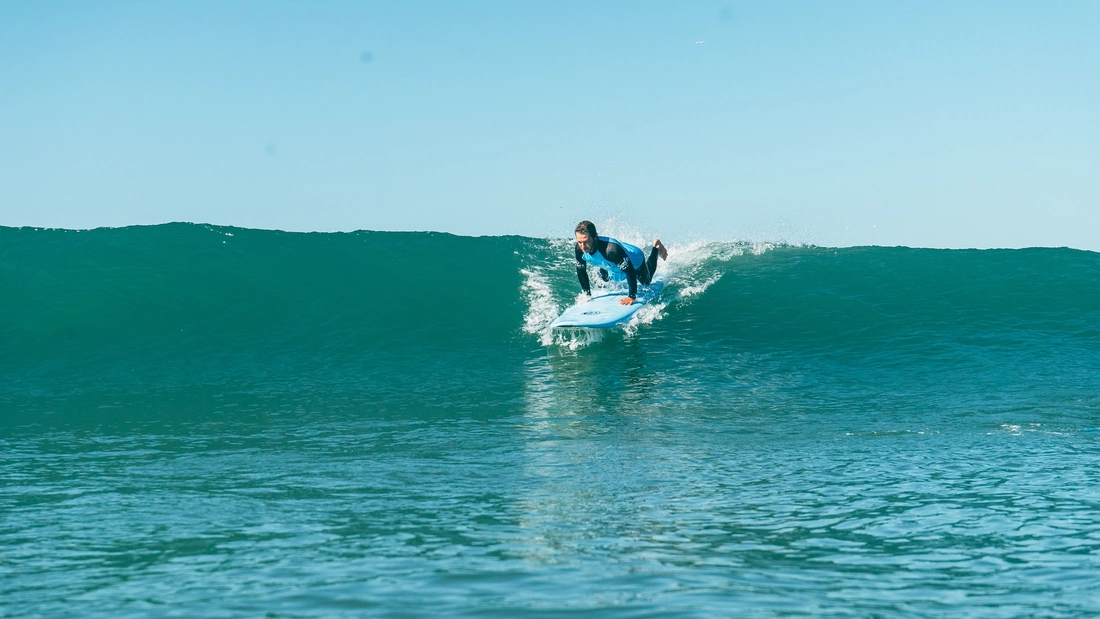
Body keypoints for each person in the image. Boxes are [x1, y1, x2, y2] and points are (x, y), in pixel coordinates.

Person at [573, 220, 668, 306]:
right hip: (611, 261)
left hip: (634, 258)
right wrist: (587, 294)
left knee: (646, 282)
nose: (582, 246)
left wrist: (632, 296)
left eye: (586, 242)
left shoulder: (611, 251)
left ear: (595, 237)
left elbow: (630, 271)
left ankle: (656, 247)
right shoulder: (579, 249)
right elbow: (581, 271)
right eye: (579, 242)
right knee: (604, 279)